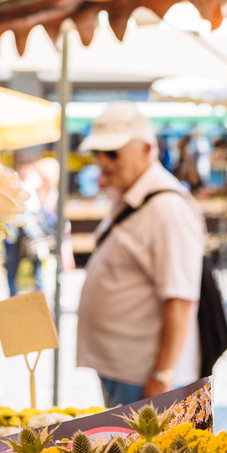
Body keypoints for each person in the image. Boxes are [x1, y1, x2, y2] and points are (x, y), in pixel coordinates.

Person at [76, 102, 206, 408]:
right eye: (97, 153)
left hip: (145, 377)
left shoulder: (167, 209)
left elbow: (180, 299)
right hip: (124, 371)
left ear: (147, 149)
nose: (102, 161)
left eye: (112, 153)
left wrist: (162, 375)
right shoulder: (130, 195)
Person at [3, 153, 51, 295]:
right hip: (15, 233)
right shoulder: (13, 184)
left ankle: (42, 300)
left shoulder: (35, 184)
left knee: (37, 270)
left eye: (27, 166)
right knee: (13, 269)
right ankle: (13, 298)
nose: (24, 169)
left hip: (33, 234)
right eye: (22, 166)